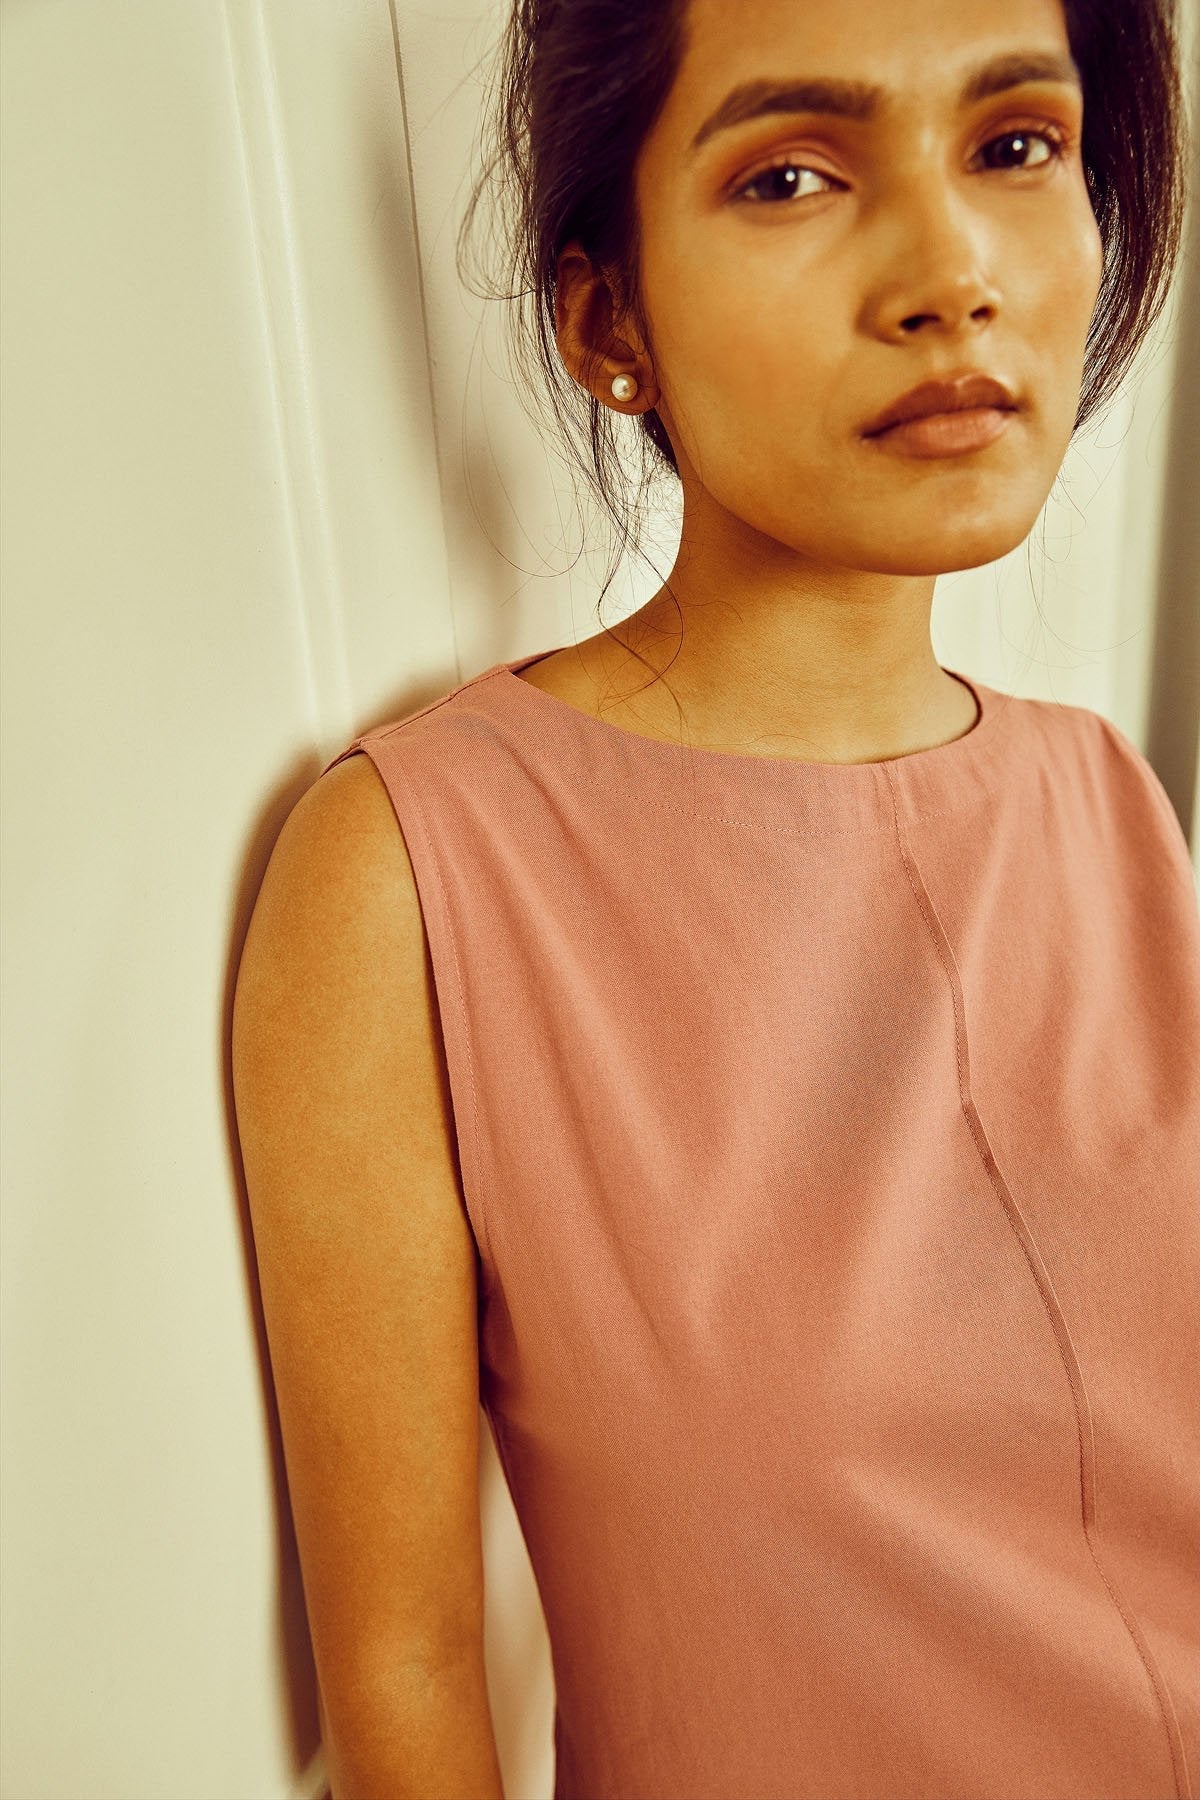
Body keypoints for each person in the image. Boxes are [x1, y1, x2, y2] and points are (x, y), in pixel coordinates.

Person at [231, 0, 1198, 1794]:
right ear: (611, 321)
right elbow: (409, 1674)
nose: (953, 275)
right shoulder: (419, 873)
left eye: (1015, 145)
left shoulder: (1115, 808)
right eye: (792, 176)